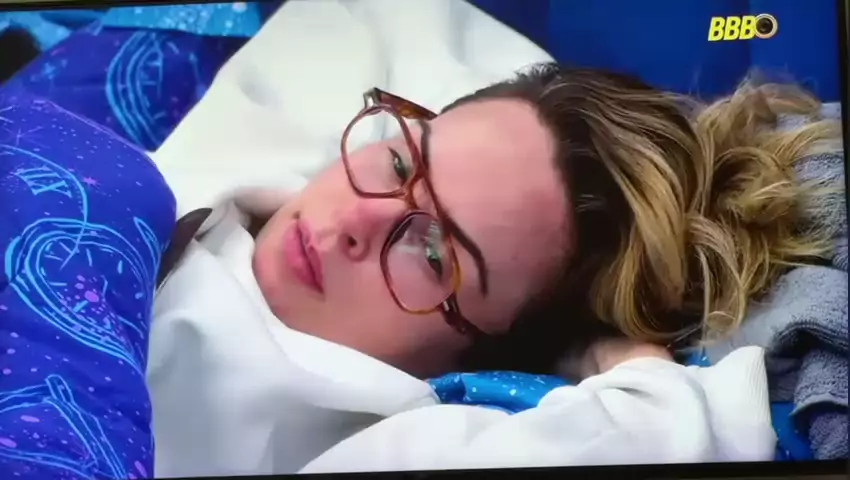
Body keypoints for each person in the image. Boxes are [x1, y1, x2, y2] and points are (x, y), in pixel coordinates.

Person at [147, 63, 839, 476]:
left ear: (480, 355)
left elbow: (665, 430)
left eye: (433, 254)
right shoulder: (242, 165)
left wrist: (615, 355)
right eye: (400, 164)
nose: (357, 218)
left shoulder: (384, 441)